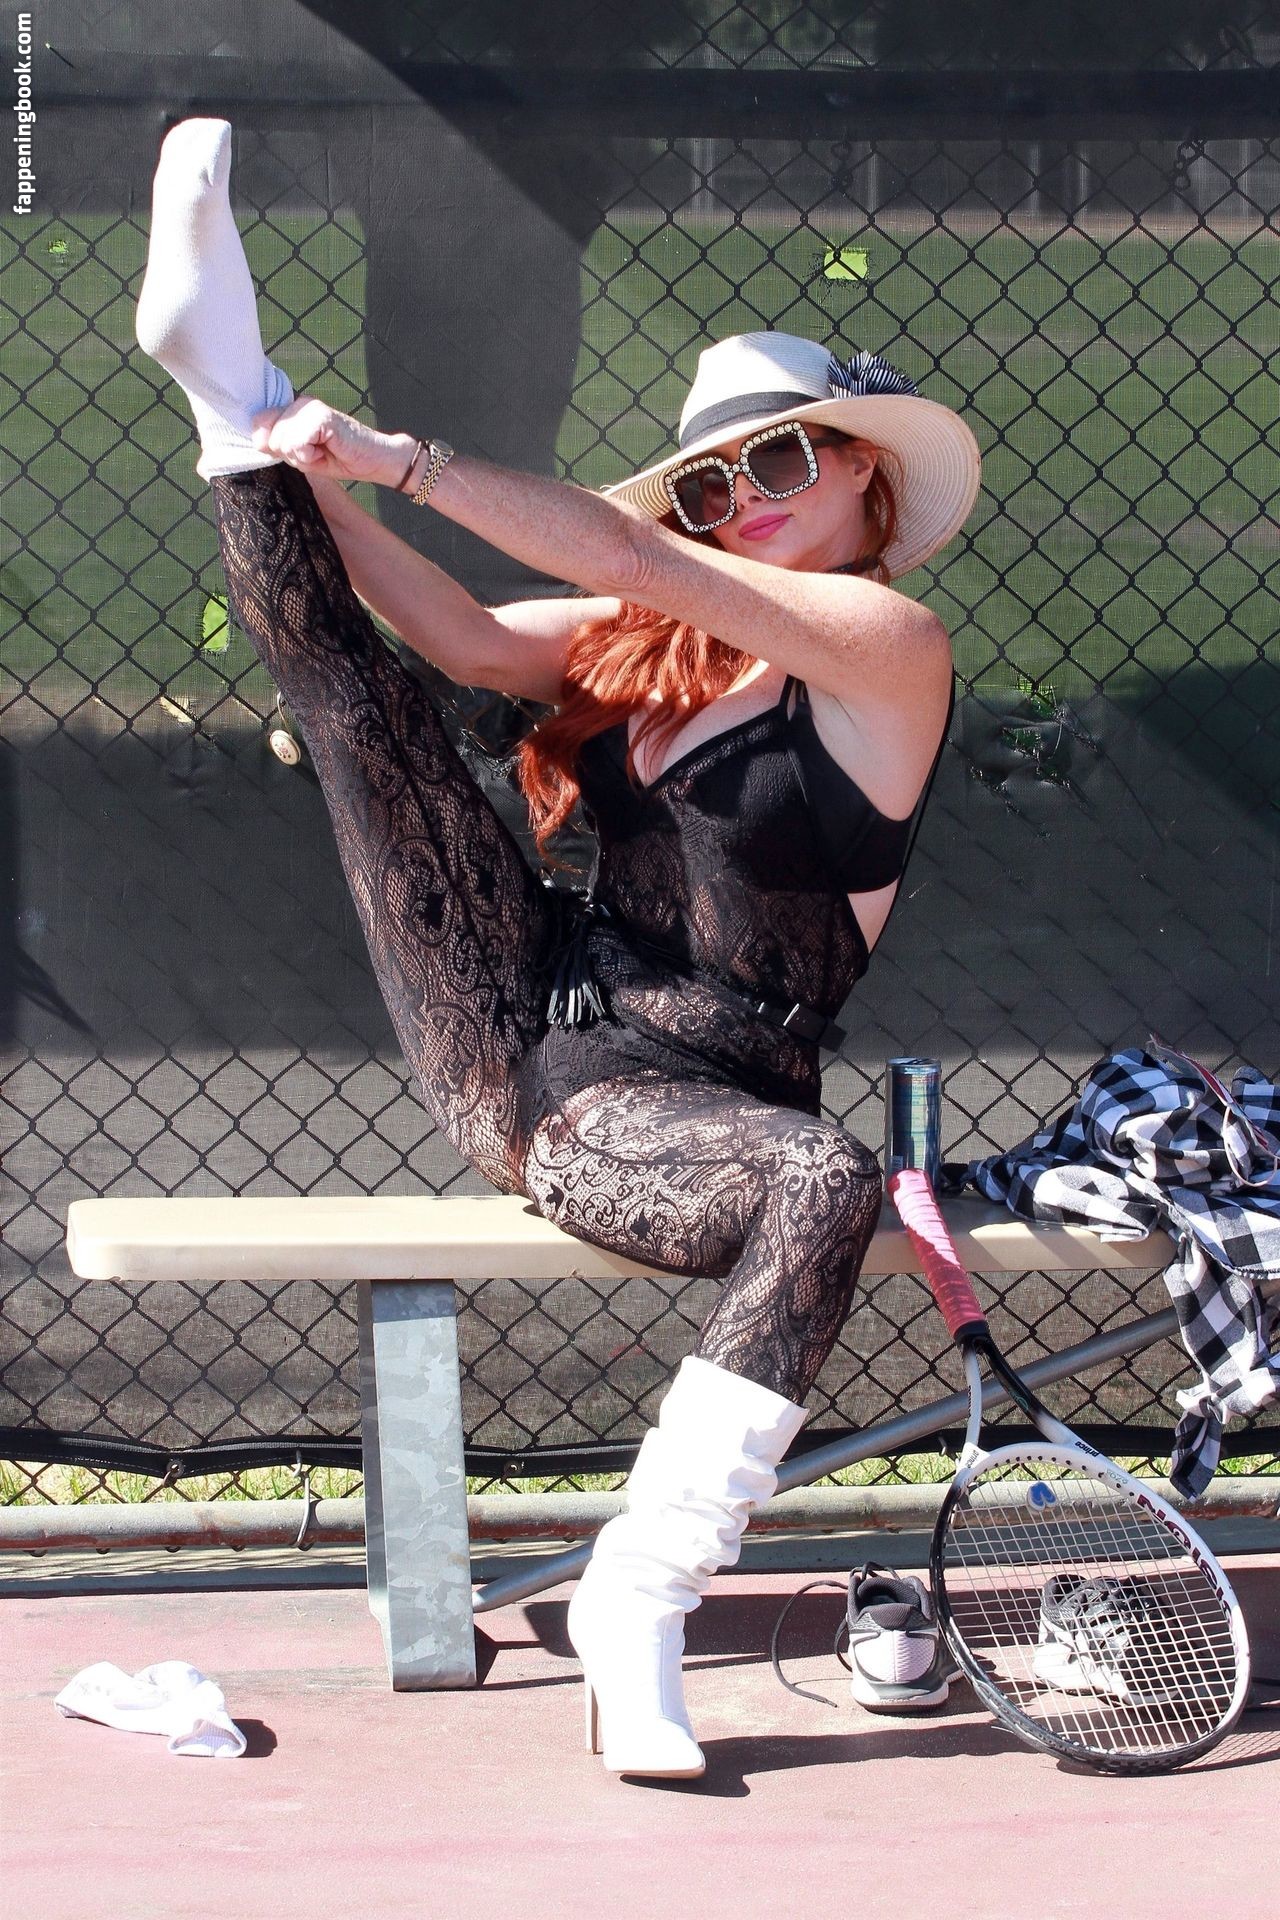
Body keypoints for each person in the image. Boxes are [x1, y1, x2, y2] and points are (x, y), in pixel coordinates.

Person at [135, 118, 981, 1781]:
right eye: (716, 484)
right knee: (369, 709)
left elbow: (629, 546)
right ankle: (222, 394)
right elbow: (457, 631)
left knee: (822, 1176)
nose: (742, 504)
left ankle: (639, 1595)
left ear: (866, 476)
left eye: (781, 465)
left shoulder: (893, 647)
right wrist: (302, 464)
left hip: (694, 1108)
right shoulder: (653, 640)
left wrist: (402, 461)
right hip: (522, 1011)